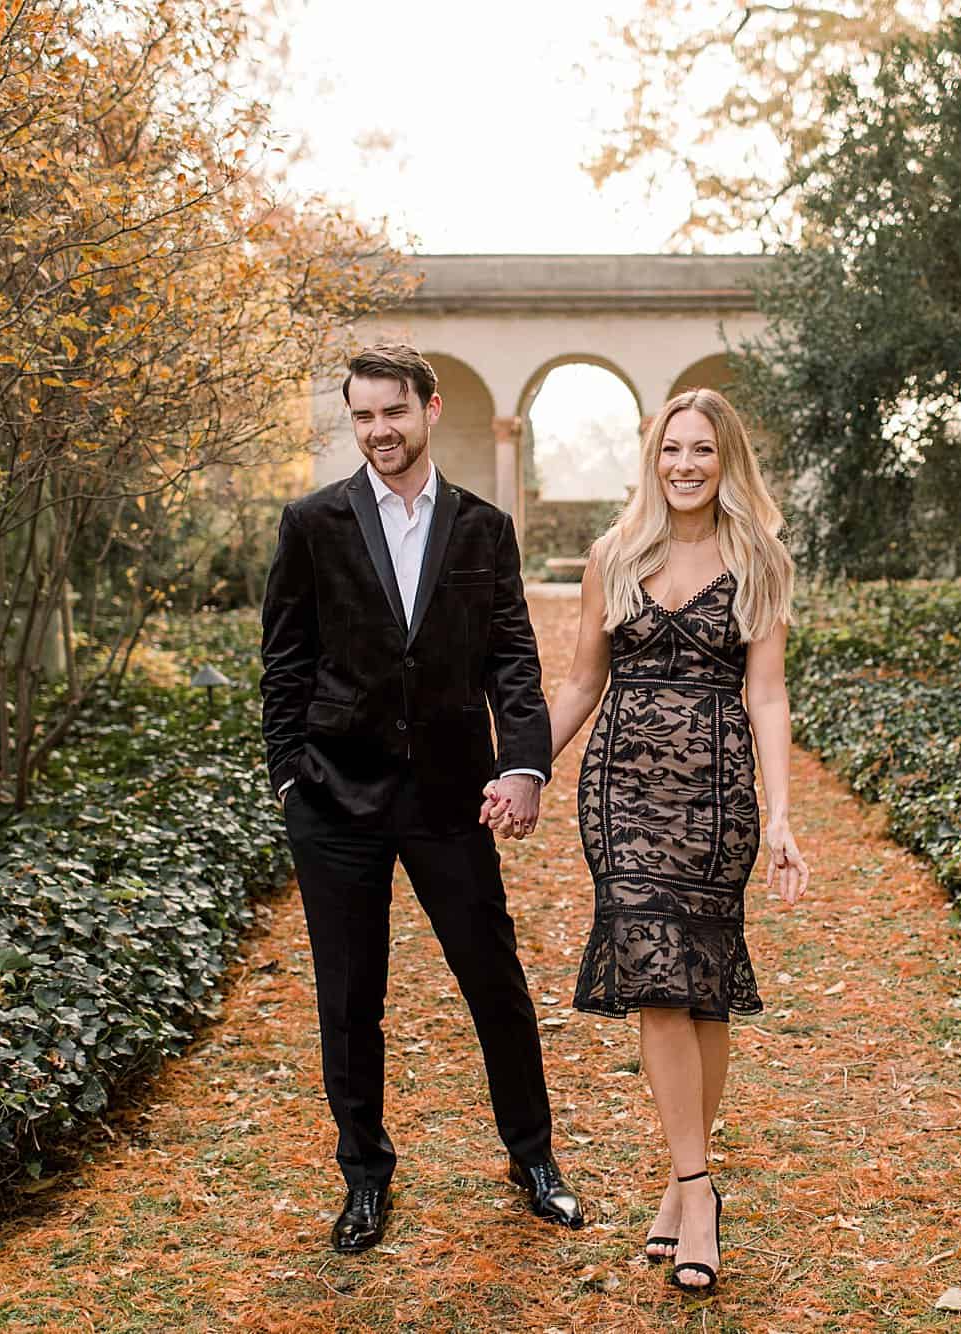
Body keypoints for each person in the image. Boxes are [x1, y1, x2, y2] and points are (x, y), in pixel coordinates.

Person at [258, 343, 582, 1255]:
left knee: (495, 983)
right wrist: (291, 779)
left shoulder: (483, 528)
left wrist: (523, 765)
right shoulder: (312, 523)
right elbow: (283, 664)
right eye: (361, 416)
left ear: (429, 409)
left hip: (450, 798)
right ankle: (364, 1178)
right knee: (350, 1000)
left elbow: (514, 664)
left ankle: (534, 1157)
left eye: (392, 413)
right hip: (334, 800)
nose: (377, 432)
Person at [485, 386, 810, 1294]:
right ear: (651, 456)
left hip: (716, 798)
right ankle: (700, 1189)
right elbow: (583, 683)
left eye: (703, 450)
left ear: (727, 459)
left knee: (702, 988)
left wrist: (779, 815)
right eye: (672, 449)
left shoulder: (759, 561)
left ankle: (680, 1186)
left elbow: (769, 695)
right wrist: (522, 768)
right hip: (621, 794)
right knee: (656, 982)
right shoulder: (614, 555)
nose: (686, 465)